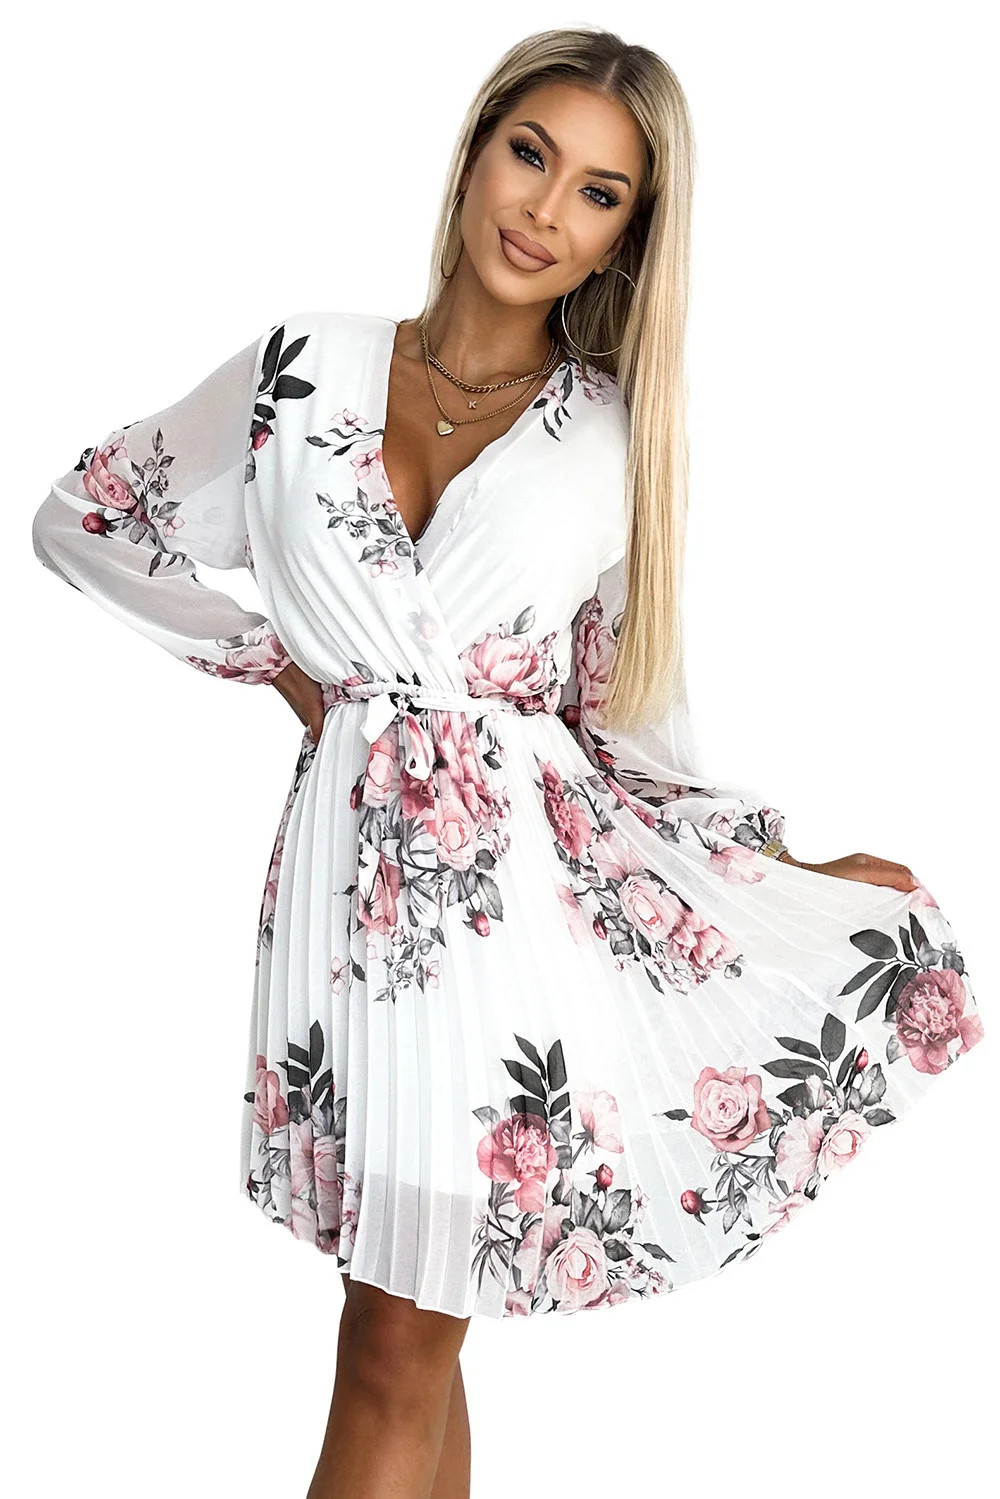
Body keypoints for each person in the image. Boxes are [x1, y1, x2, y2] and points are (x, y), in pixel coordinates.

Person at [30, 25, 985, 1499]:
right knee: (408, 1332)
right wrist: (284, 668)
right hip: (348, 904)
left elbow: (628, 722)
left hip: (508, 920)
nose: (545, 211)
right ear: (476, 151)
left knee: (395, 1346)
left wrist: (783, 869)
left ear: (628, 237)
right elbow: (86, 520)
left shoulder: (610, 440)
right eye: (530, 155)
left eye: (600, 193)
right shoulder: (303, 365)